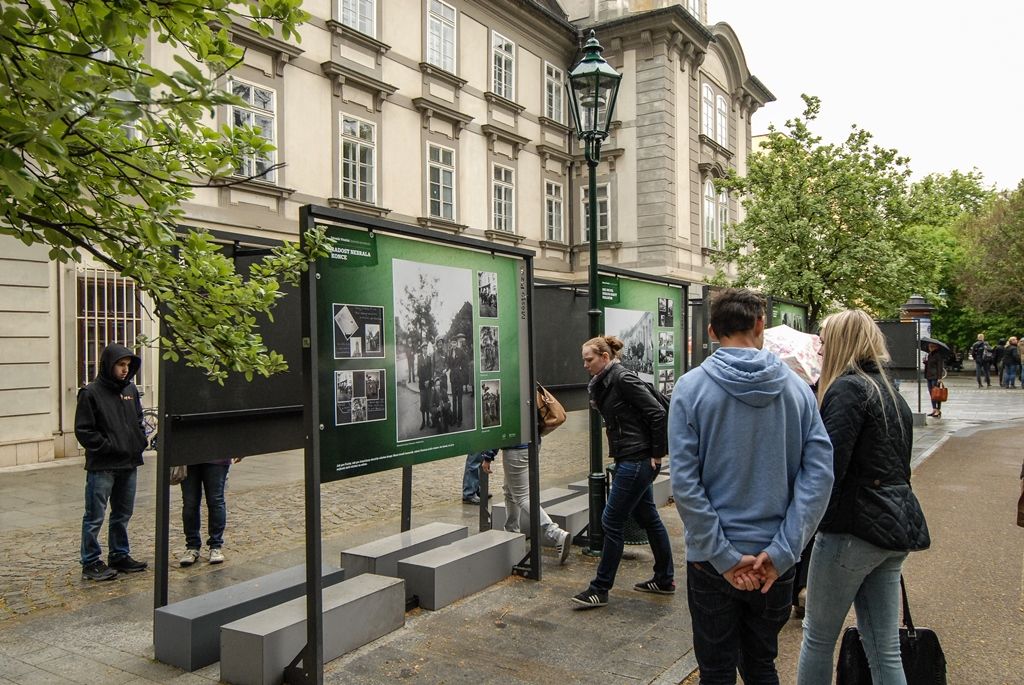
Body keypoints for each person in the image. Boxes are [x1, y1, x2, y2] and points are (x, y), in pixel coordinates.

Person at [669, 288, 833, 683]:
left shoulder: (690, 389)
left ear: (711, 331)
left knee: (716, 671)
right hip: (774, 560)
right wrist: (782, 551)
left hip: (711, 560)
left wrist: (723, 557)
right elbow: (819, 476)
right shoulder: (799, 391)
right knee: (761, 666)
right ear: (760, 325)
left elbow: (685, 482)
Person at [797, 310, 931, 684]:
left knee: (819, 639)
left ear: (841, 342)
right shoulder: (887, 390)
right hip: (891, 529)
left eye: (824, 339)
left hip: (851, 532)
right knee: (883, 647)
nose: (820, 347)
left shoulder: (847, 390)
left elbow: (828, 472)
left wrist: (805, 528)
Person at [571, 335, 674, 609]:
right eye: (583, 359)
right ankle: (665, 579)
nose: (585, 364)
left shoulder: (622, 379)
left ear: (605, 357)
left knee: (611, 522)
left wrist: (656, 454)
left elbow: (657, 414)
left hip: (636, 460)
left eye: (589, 359)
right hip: (631, 457)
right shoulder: (606, 381)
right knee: (649, 518)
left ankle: (599, 589)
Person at [75, 343, 149, 581]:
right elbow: (84, 430)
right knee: (95, 515)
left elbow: (138, 419)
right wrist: (108, 447)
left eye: (127, 365)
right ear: (109, 364)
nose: (125, 370)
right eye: (120, 364)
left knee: (122, 513)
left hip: (128, 463)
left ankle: (119, 554)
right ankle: (91, 560)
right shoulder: (91, 393)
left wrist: (139, 441)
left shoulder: (130, 390)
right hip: (103, 466)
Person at [478, 446, 572, 564]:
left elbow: (502, 430)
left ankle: (555, 533)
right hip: (529, 445)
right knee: (510, 492)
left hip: (515, 449)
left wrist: (488, 456)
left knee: (522, 497)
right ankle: (512, 532)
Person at [179, 458, 240, 566]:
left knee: (215, 501)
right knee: (190, 503)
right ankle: (192, 546)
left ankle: (215, 545)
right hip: (188, 455)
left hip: (217, 455)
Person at [923, 342, 945, 417]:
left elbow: (940, 367)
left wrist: (939, 378)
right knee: (932, 394)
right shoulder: (930, 354)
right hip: (929, 376)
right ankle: (934, 409)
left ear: (935, 347)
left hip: (935, 376)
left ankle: (938, 410)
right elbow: (929, 364)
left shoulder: (938, 355)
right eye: (929, 346)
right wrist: (925, 362)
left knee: (937, 394)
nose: (930, 348)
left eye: (931, 346)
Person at [416, 342, 433, 428]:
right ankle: (423, 421)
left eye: (426, 348)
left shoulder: (429, 358)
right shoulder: (419, 358)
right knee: (423, 403)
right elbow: (419, 373)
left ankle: (428, 421)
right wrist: (424, 382)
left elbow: (431, 372)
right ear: (421, 349)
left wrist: (428, 381)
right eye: (424, 348)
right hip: (422, 385)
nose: (425, 350)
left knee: (428, 402)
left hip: (428, 384)